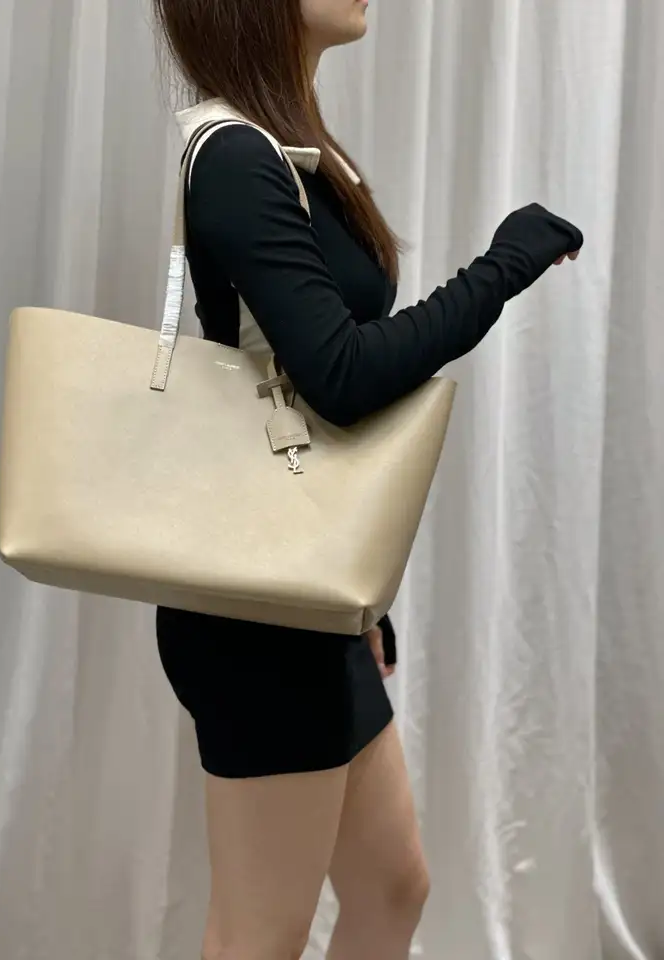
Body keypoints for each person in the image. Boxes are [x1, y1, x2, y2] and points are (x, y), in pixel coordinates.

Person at [152, 1, 583, 958]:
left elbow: (306, 387)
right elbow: (340, 377)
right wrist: (502, 268)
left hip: (310, 585)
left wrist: (361, 595)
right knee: (258, 936)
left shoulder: (290, 150)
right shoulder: (234, 156)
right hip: (255, 606)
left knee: (393, 888)